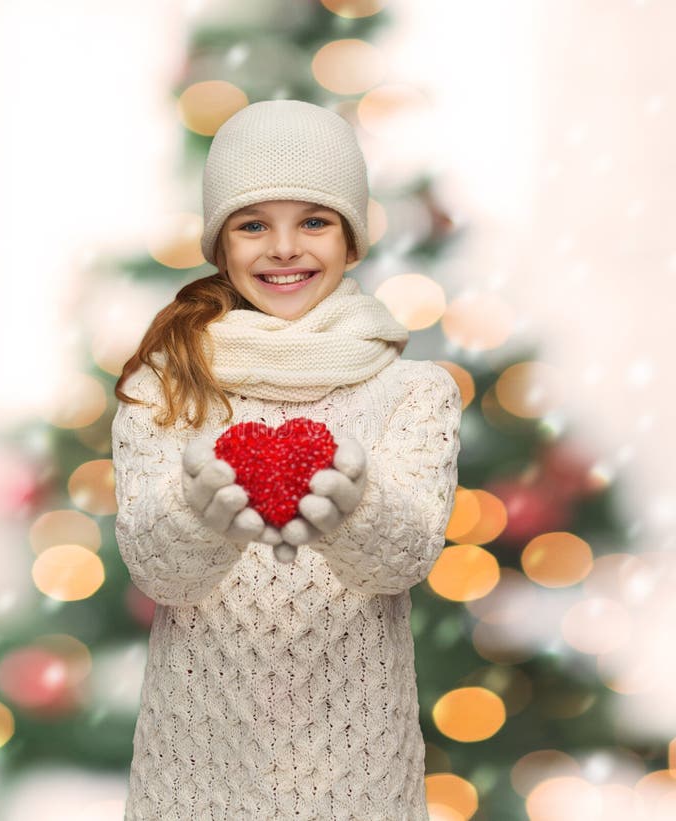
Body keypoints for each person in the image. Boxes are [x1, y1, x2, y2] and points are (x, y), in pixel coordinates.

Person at [112, 99, 462, 820]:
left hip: (357, 770)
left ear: (352, 237)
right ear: (219, 243)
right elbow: (157, 568)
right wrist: (199, 511)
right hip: (199, 763)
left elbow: (400, 561)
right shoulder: (166, 385)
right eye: (252, 224)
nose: (282, 248)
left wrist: (354, 506)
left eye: (313, 220)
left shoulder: (412, 392)